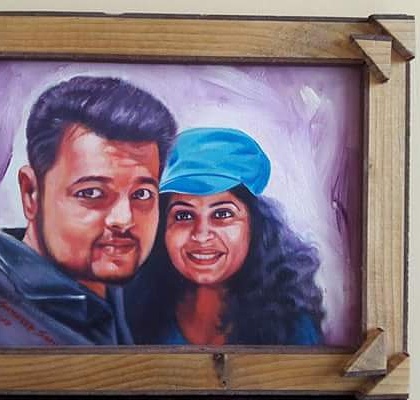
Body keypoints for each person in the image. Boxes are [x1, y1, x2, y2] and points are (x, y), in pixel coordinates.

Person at [0, 76, 177, 346]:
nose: (124, 219)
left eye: (142, 194)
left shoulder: (129, 299)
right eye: (92, 193)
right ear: (31, 193)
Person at [125, 128, 324, 345]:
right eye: (183, 215)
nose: (201, 235)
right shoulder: (131, 309)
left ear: (255, 225)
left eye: (222, 214)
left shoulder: (291, 326)